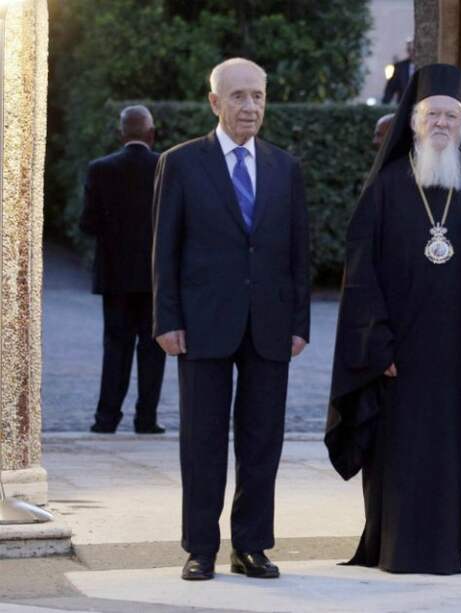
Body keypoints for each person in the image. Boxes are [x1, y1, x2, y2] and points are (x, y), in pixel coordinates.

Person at [325, 63, 461, 575]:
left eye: (452, 115)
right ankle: (398, 545)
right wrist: (377, 345)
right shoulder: (387, 186)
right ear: (413, 121)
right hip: (402, 354)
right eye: (432, 114)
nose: (441, 123)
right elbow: (360, 273)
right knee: (401, 453)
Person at [152, 58, 310, 581]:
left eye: (258, 96)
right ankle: (200, 548)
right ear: (215, 102)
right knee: (202, 440)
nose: (250, 107)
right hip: (202, 323)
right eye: (239, 97)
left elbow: (297, 253)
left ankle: (251, 546)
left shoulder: (286, 168)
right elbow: (165, 250)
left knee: (262, 439)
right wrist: (166, 318)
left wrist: (299, 322)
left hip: (269, 324)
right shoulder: (180, 163)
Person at [80, 105, 166, 435]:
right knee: (152, 349)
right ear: (151, 133)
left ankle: (106, 419)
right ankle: (146, 419)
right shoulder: (164, 167)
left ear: (121, 134)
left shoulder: (100, 169)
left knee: (115, 348)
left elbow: (88, 223)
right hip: (155, 277)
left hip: (115, 276)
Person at [382, 39, 415, 104]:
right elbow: (390, 87)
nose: (412, 53)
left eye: (413, 50)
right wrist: (385, 104)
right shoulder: (399, 67)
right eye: (409, 50)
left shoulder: (426, 66)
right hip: (403, 104)